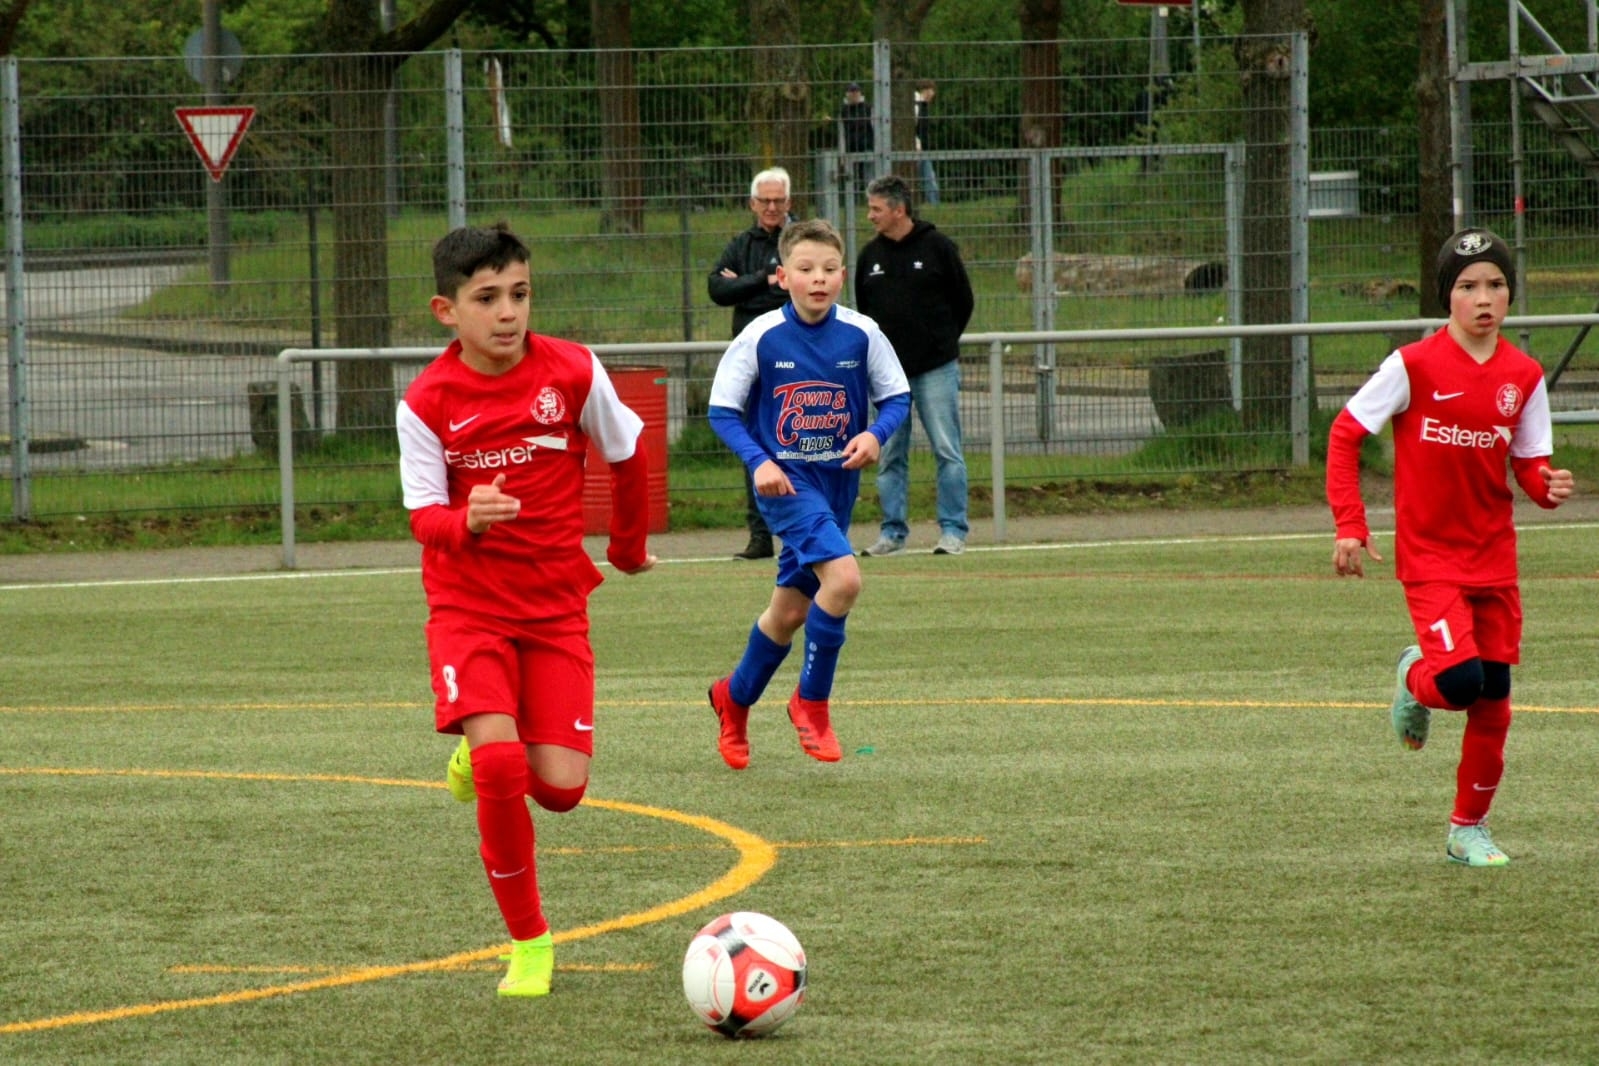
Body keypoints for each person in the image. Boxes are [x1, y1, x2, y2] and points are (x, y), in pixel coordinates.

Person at [396, 221, 657, 996]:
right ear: (447, 311)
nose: (507, 312)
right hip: (466, 606)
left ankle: (478, 757)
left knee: (562, 790)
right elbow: (422, 518)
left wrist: (627, 548)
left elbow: (627, 453)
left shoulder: (572, 370)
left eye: (519, 294)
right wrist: (466, 520)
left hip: (553, 606)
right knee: (502, 762)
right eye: (487, 299)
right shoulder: (426, 401)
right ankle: (530, 941)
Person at [1326, 227, 1575, 868]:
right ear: (1447, 296)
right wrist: (1351, 523)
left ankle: (1468, 830)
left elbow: (1529, 464)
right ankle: (1416, 677)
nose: (1483, 298)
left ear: (1510, 294)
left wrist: (1546, 487)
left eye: (1496, 284)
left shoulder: (1524, 375)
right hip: (1432, 557)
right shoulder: (1412, 365)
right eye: (1468, 287)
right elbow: (1345, 434)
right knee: (1460, 683)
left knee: (1494, 702)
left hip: (1494, 557)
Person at [704, 218, 911, 770]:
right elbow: (722, 411)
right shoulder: (761, 336)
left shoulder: (863, 333)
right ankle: (811, 702)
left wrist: (875, 434)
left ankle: (732, 698)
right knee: (844, 580)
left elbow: (897, 397)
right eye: (805, 269)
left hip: (837, 485)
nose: (818, 278)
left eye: (828, 269)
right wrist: (760, 462)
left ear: (842, 275)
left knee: (789, 612)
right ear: (782, 277)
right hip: (788, 485)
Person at [854, 174, 975, 557]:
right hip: (887, 378)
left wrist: (941, 344)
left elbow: (963, 301)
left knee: (947, 449)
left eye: (876, 209)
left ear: (899, 209)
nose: (870, 216)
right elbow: (865, 311)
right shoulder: (869, 256)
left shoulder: (938, 247)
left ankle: (953, 530)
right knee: (889, 453)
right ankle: (892, 533)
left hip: (936, 368)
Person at [708, 167, 794, 561]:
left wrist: (745, 286)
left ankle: (797, 531)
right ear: (752, 204)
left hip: (792, 355)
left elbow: (797, 290)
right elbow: (718, 289)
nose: (772, 207)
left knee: (795, 441)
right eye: (765, 201)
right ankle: (759, 537)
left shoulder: (799, 241)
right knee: (752, 446)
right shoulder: (740, 244)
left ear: (789, 202)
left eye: (778, 200)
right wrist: (763, 279)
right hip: (749, 361)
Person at [839, 82, 873, 189]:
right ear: (847, 94)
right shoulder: (843, 110)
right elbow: (841, 133)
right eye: (851, 91)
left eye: (856, 91)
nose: (854, 94)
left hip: (867, 148)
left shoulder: (868, 108)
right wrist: (842, 153)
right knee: (851, 180)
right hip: (850, 150)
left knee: (869, 179)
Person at [913, 78, 940, 206]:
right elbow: (912, 127)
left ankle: (932, 203)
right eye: (931, 90)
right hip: (917, 148)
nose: (933, 94)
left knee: (927, 177)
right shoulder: (916, 105)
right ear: (925, 90)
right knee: (928, 178)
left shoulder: (922, 105)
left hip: (923, 148)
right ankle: (933, 203)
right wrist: (917, 143)